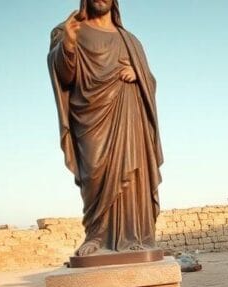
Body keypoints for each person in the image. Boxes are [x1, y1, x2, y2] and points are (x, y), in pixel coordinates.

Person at [48, 0, 163, 258]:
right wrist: (67, 44)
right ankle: (96, 235)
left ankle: (136, 235)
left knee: (132, 177)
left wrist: (139, 74)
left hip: (129, 119)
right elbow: (65, 79)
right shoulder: (69, 30)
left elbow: (150, 80)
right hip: (90, 118)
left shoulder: (130, 41)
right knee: (95, 174)